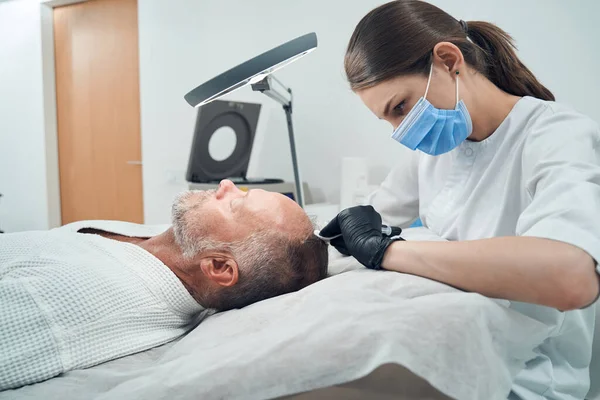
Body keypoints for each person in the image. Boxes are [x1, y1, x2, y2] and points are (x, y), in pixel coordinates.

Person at [320, 1, 600, 399]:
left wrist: (389, 252)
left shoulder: (557, 135)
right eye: (388, 120)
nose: (401, 132)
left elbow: (571, 277)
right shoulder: (435, 153)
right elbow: (360, 228)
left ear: (449, 60)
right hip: (456, 345)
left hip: (527, 375)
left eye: (400, 107)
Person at [0, 179, 328, 390]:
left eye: (234, 203)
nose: (227, 184)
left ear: (217, 266)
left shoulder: (66, 305)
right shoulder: (169, 246)